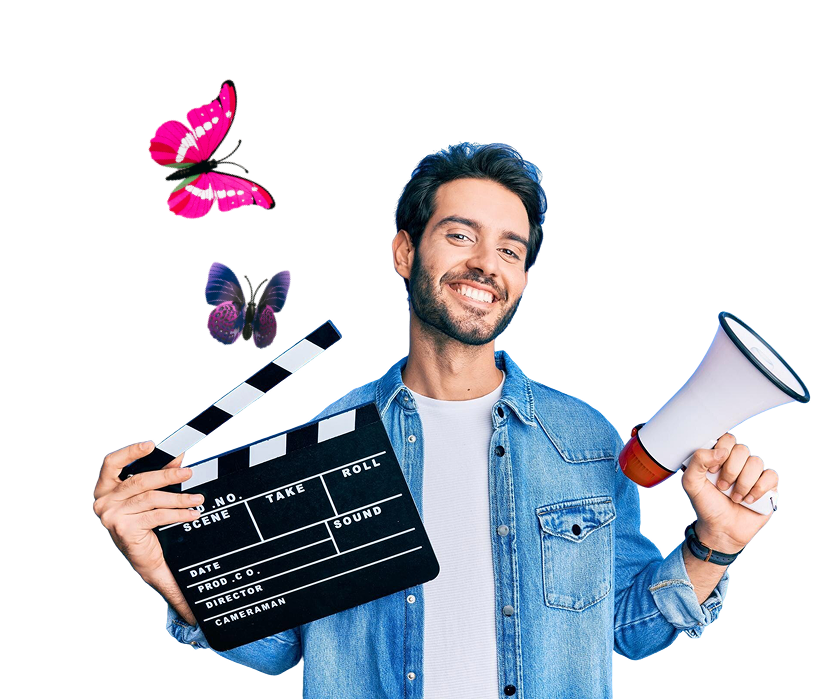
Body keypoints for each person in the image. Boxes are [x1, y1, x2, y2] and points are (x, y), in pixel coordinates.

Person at [94, 143, 777, 698]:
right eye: (459, 235)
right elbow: (279, 648)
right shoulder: (318, 444)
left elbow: (629, 630)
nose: (485, 262)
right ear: (402, 254)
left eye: (510, 249)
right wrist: (162, 568)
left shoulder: (588, 440)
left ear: (522, 283)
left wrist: (710, 547)